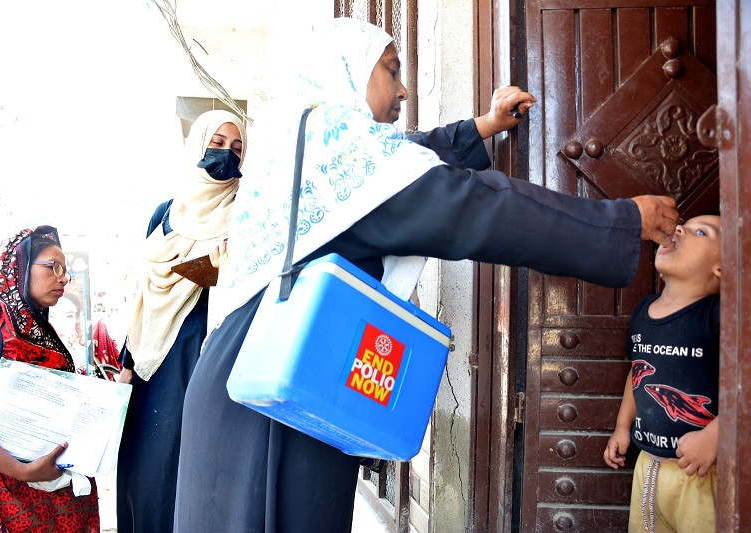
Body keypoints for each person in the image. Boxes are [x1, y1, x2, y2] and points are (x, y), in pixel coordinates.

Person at [173, 18, 679, 532]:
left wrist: (482, 127)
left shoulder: (313, 145)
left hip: (246, 374)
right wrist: (621, 221)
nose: (404, 88)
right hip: (279, 404)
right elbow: (476, 209)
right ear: (347, 74)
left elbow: (407, 159)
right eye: (391, 70)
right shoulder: (351, 159)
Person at [115, 110, 247, 533]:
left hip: (212, 350)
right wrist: (128, 360)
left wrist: (219, 269)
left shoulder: (247, 209)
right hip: (158, 355)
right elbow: (143, 290)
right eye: (217, 143)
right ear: (198, 146)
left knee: (200, 463)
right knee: (150, 463)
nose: (226, 154)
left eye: (237, 148)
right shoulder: (167, 212)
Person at [0, 225, 100, 533]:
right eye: (53, 266)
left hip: (55, 507)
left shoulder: (44, 335)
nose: (63, 278)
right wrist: (22, 471)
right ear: (15, 267)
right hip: (1, 508)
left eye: (66, 271)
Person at [603, 214, 721, 532]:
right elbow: (637, 373)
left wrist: (715, 436)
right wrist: (622, 427)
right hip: (648, 465)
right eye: (683, 224)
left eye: (701, 231)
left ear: (722, 270)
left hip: (700, 472)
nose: (679, 228)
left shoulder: (717, 314)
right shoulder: (644, 310)